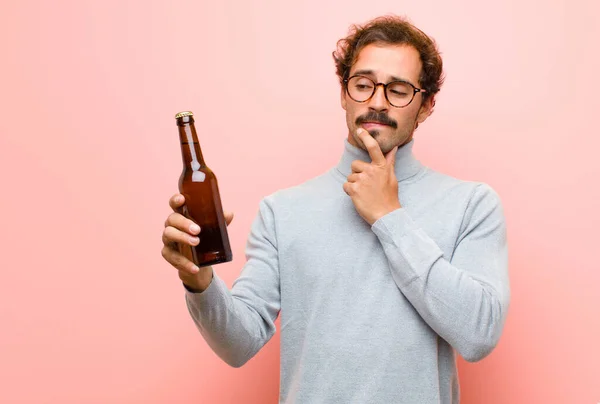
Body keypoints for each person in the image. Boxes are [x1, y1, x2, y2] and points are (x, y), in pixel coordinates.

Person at [161, 15, 510, 404]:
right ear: (344, 94)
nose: (377, 102)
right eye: (363, 85)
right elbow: (238, 345)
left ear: (426, 105)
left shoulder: (472, 204)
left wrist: (389, 217)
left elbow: (479, 335)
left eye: (398, 90)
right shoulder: (282, 212)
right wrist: (199, 279)